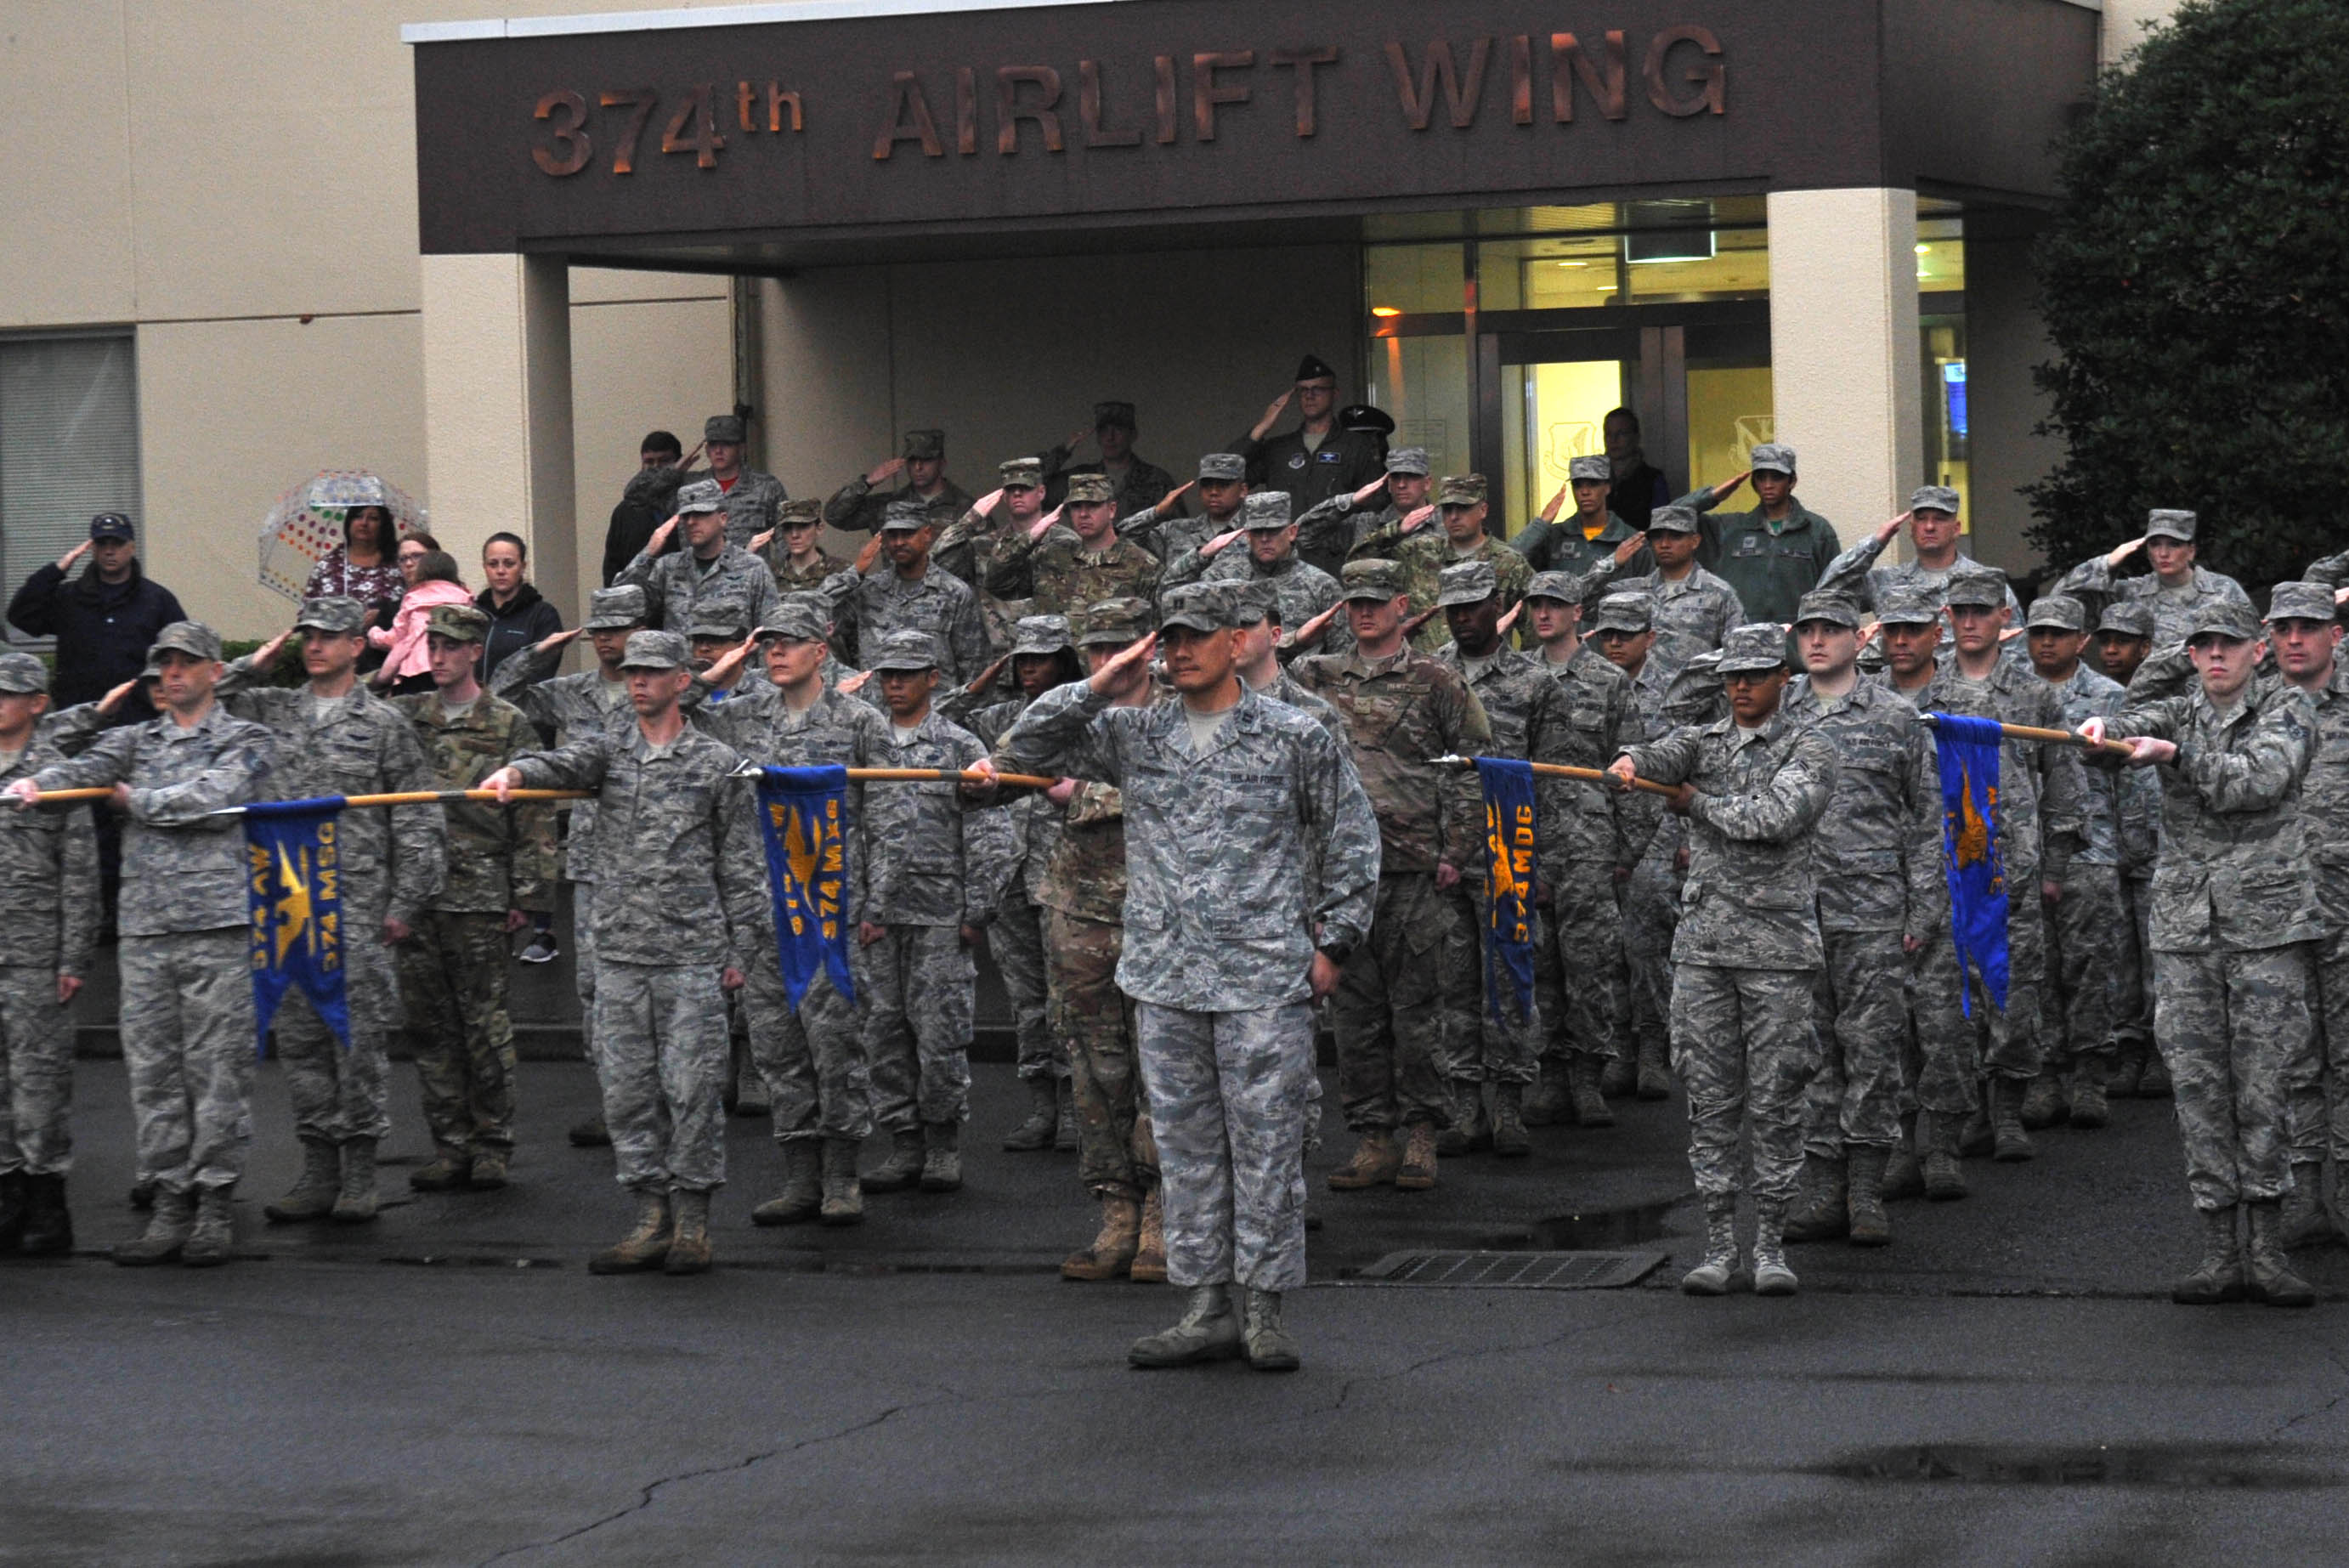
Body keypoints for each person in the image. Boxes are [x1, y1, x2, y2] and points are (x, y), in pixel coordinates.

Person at [987, 580, 1379, 1373]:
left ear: (1239, 641)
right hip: (1165, 975)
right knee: (1186, 1149)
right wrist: (1096, 683)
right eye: (1168, 637)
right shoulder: (1135, 734)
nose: (1179, 649)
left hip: (1261, 975)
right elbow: (1022, 749)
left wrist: (1334, 941)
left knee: (1265, 1148)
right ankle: (1204, 1305)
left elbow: (1352, 835)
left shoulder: (1291, 735)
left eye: (1197, 635)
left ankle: (1265, 1307)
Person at [485, 630, 763, 1276]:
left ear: (681, 680)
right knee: (627, 1094)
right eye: (632, 671)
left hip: (690, 952)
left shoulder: (716, 762)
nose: (637, 680)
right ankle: (648, 1214)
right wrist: (519, 770)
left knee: (692, 1091)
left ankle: (692, 1221)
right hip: (619, 953)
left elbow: (743, 866)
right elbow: (565, 762)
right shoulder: (610, 748)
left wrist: (740, 950)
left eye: (651, 671)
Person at [12, 622, 275, 1267]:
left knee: (217, 1073)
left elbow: (213, 799)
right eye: (163, 665)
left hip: (217, 926)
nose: (172, 674)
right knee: (154, 1076)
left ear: (217, 670)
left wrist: (138, 801)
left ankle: (214, 1201)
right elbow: (81, 769)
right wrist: (38, 784)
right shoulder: (134, 740)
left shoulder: (245, 738)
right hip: (146, 929)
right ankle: (168, 1198)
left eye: (186, 663)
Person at [2086, 600, 2320, 1307]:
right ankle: (2220, 1247)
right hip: (2187, 928)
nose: (2215, 656)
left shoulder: (2291, 708)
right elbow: (2132, 719)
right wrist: (2104, 731)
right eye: (2203, 645)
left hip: (2266, 927)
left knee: (2265, 1087)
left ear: (2259, 649)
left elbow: (2260, 780)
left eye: (2229, 644)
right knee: (2198, 1089)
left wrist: (2179, 758)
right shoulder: (2179, 707)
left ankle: (2269, 1248)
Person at [1610, 621, 1837, 1297]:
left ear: (1782, 680)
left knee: (1776, 1100)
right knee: (1710, 1100)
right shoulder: (1704, 741)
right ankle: (1716, 1243)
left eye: (1754, 675)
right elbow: (1660, 753)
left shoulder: (1812, 746)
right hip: (1706, 949)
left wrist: (1695, 804)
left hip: (1779, 954)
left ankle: (1770, 1243)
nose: (1740, 687)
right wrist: (1631, 763)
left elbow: (1775, 817)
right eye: (1732, 676)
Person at [215, 598, 445, 1226]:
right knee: (300, 1044)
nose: (314, 646)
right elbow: (211, 702)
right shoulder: (272, 710)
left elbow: (417, 813)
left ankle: (361, 1171)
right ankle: (317, 1167)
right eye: (307, 636)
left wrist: (408, 901)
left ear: (355, 645)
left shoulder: (383, 723)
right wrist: (255, 662)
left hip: (358, 907)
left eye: (328, 636)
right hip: (288, 908)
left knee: (357, 1042)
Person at [1292, 558, 1492, 1194]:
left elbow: (1470, 766)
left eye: (1377, 601)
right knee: (1355, 1012)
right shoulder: (1317, 677)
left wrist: (1456, 850)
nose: (1365, 612)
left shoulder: (1437, 681)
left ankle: (1423, 1132)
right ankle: (1373, 1134)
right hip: (1345, 872)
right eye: (1355, 602)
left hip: (1414, 868)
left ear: (1403, 605)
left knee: (1419, 1010)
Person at [694, 598, 895, 1229]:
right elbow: (675, 710)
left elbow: (888, 815)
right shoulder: (742, 716)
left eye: (789, 642)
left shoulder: (859, 719)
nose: (775, 653)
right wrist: (718, 673)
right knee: (778, 1049)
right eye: (767, 643)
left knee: (836, 1046)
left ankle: (841, 1173)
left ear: (821, 648)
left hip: (830, 910)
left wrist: (878, 901)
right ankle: (800, 1174)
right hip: (761, 909)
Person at [1002, 598, 1165, 1280]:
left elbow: (1184, 796)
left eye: (1121, 648)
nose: (1110, 661)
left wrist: (1089, 797)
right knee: (1097, 1072)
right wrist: (1087, 694)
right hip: (1083, 911)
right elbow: (1021, 747)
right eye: (1096, 650)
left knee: (1162, 1070)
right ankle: (1115, 1211)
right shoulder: (1075, 717)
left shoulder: (1176, 716)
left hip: (1160, 910)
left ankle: (1164, 1212)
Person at [1910, 566, 2089, 1175]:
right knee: (1950, 1002)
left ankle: (2008, 1105)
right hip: (1946, 871)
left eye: (1980, 612)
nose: (1969, 622)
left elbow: (2064, 782)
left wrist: (2056, 864)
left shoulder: (2034, 695)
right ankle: (1961, 1118)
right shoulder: (1925, 698)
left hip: (2012, 870)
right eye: (1959, 612)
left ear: (2003, 619)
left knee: (2014, 995)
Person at [1777, 591, 1939, 1250]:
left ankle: (1866, 1187)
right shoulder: (1778, 711)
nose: (1818, 641)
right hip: (1794, 910)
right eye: (1808, 629)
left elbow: (1928, 819)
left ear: (1859, 639)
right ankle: (1822, 1186)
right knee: (1809, 1053)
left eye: (1831, 630)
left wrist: (1923, 907)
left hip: (1871, 909)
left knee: (1872, 1050)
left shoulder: (1897, 716)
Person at [391, 605, 556, 1192]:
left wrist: (528, 896)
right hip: (419, 892)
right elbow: (349, 710)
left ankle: (492, 1142)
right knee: (429, 1028)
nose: (436, 656)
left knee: (484, 1026)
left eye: (448, 646)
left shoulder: (508, 723)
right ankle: (449, 1143)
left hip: (481, 891)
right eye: (430, 646)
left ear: (472, 651)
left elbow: (534, 814)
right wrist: (387, 664)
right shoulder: (408, 717)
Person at [850, 630, 1013, 1197]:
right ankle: (904, 1140)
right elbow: (852, 828)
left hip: (941, 912)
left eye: (905, 673)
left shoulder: (959, 744)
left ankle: (943, 1142)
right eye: (886, 674)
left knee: (940, 1034)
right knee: (883, 1033)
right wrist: (860, 906)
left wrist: (978, 907)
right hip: (879, 914)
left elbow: (990, 829)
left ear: (932, 678)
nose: (893, 683)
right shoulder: (865, 740)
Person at [491, 585, 649, 1130]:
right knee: (594, 987)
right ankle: (615, 1103)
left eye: (619, 629)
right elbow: (501, 693)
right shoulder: (573, 691)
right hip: (591, 858)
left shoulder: (658, 689)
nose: (608, 640)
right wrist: (540, 651)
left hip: (652, 860)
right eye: (600, 630)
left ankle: (659, 1100)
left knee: (651, 984)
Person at [1431, 561, 1573, 1157]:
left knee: (1511, 978)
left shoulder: (1533, 681)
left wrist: (1547, 866)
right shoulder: (1429, 675)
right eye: (1453, 608)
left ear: (1498, 606)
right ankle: (1466, 1108)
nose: (1463, 617)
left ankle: (1511, 1104)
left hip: (1509, 854)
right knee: (1452, 984)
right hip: (1442, 853)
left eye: (1473, 605)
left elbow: (1558, 783)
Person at [941, 614, 1083, 1156]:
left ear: (1064, 661)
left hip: (1064, 876)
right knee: (1026, 1002)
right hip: (1009, 875)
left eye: (1040, 658)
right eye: (1022, 658)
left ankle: (1075, 1107)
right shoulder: (1000, 716)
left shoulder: (1079, 718)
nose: (1029, 668)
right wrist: (981, 679)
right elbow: (941, 718)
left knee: (1066, 998)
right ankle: (1041, 1106)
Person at [1520, 572, 1644, 1122]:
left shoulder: (1607, 680)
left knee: (1591, 964)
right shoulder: (1517, 677)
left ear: (1579, 612)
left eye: (1554, 604)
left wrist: (1628, 850)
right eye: (1535, 604)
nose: (1543, 613)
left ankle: (1589, 1074)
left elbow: (1636, 764)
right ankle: (1549, 1072)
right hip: (1531, 839)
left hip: (1592, 845)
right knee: (1541, 964)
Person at [0, 652, 99, 1255]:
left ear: (37, 703)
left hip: (35, 952)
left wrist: (74, 957)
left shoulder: (56, 775)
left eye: (8, 693)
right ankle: (7, 1193)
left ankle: (46, 1201)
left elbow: (81, 873)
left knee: (39, 1084)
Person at [2019, 595, 2128, 1131]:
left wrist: (2138, 850)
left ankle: (2089, 1075)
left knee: (2090, 966)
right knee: (2034, 967)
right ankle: (2043, 1074)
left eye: (2059, 633)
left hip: (2094, 848)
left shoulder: (2108, 696)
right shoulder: (2012, 691)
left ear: (2081, 640)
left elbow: (2133, 780)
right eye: (2039, 631)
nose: (2047, 641)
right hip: (2025, 845)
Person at [2261, 582, 2347, 1250]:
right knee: (2290, 1063)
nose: (2296, 638)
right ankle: (2306, 1193)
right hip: (2274, 916)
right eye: (2283, 626)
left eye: (2309, 626)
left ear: (2335, 635)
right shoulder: (2248, 707)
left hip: (2346, 910)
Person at [1586, 591, 1687, 1112]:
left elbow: (1693, 760)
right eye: (1609, 633)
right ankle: (1617, 1046)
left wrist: (1688, 837)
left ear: (1651, 635)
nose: (1617, 642)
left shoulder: (1677, 687)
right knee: (1606, 943)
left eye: (1628, 633)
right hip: (1597, 827)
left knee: (1647, 940)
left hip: (1658, 827)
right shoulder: (1585, 682)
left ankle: (1652, 1045)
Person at [2094, 599, 2169, 1096]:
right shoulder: (2096, 699)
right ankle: (2127, 1048)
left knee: (2159, 955)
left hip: (2158, 850)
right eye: (2106, 640)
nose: (2113, 649)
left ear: (2148, 647)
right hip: (2108, 845)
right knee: (2118, 956)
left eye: (2124, 640)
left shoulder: (2170, 697)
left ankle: (2162, 1052)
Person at [8, 513, 187, 714]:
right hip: (78, 720)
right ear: (92, 549)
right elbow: (20, 616)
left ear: (132, 547)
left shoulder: (157, 600)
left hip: (138, 720)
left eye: (117, 543)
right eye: (102, 544)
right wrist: (57, 569)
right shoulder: (69, 597)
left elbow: (181, 654)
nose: (110, 551)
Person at [1346, 475, 1532, 653]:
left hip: (1485, 674)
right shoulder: (1419, 552)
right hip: (1425, 673)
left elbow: (1533, 628)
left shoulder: (1509, 562)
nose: (1453, 517)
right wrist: (1396, 531)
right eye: (1448, 509)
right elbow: (1357, 563)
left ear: (1483, 510)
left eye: (1463, 508)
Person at [1160, 490, 1351, 657]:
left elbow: (1342, 654)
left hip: (1299, 689)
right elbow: (1168, 595)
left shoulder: (1321, 586)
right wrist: (1201, 555)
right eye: (1258, 532)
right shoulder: (1221, 578)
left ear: (1292, 532)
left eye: (1273, 531)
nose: (1265, 539)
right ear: (1247, 535)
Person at [820, 499, 988, 682]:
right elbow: (813, 613)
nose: (899, 542)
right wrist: (855, 572)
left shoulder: (954, 593)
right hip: (876, 705)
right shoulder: (868, 590)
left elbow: (974, 666)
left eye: (907, 534)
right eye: (892, 535)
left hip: (935, 705)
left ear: (927, 534)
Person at [1678, 443, 1842, 628]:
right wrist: (1712, 496)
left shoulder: (1817, 531)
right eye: (1761, 478)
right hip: (1741, 642)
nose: (1768, 485)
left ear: (1792, 481)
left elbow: (1836, 593)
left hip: (1798, 643)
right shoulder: (1729, 529)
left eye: (1777, 477)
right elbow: (1669, 517)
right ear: (1754, 482)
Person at [2052, 511, 2254, 655]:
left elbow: (2252, 644)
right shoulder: (2130, 594)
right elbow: (2059, 606)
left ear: (2191, 550)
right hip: (2148, 705)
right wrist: (2107, 563)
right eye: (2155, 544)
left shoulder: (2224, 590)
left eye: (2174, 545)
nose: (2163, 553)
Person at [1816, 486, 2021, 620]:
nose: (1930, 526)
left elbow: (2016, 648)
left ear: (1956, 528)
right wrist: (1875, 543)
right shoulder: (1886, 582)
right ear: (1911, 527)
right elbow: (1826, 594)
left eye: (1939, 519)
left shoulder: (1986, 581)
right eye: (1922, 519)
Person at [615, 478, 780, 636]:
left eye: (701, 514)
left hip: (733, 664)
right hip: (680, 664)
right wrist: (648, 553)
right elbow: (620, 606)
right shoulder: (668, 568)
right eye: (686, 516)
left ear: (723, 519)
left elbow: (769, 632)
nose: (691, 522)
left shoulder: (753, 568)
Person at [982, 472, 1160, 617]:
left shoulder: (1143, 566)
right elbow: (996, 584)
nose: (1083, 514)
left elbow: (1157, 636)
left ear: (1112, 509)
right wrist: (1029, 538)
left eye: (1092, 505)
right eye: (1076, 506)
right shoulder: (1050, 557)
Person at [1237, 355, 1387, 522]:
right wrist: (1261, 428)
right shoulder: (1278, 449)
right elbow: (1227, 477)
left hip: (1335, 546)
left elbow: (1375, 505)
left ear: (1334, 393)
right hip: (1286, 545)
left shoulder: (1356, 447)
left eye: (1318, 389)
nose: (1310, 395)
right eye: (1304, 390)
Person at [1606, 503, 1744, 676]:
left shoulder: (1719, 593)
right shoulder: (1632, 593)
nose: (1664, 544)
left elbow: (1738, 653)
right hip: (1639, 698)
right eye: (1657, 537)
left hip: (1696, 698)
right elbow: (1581, 603)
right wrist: (1612, 564)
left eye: (1675, 536)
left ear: (1695, 541)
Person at [1507, 455, 1655, 586]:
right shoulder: (1554, 536)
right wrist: (1541, 524)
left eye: (1593, 484)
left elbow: (1649, 592)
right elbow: (1507, 564)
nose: (1585, 492)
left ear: (1608, 487)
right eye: (1578, 485)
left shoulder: (1631, 541)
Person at [1295, 446, 1434, 582]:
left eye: (1411, 477)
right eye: (1396, 477)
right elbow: (1302, 534)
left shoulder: (1446, 523)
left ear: (1427, 483)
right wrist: (1350, 501)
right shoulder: (1366, 523)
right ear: (1389, 484)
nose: (1402, 484)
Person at [1041, 401, 1179, 519]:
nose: (1110, 437)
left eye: (1118, 429)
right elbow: (1032, 493)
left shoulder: (1157, 481)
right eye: (1103, 430)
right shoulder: (1078, 480)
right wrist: (1064, 450)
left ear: (1133, 435)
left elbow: (1177, 529)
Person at [824, 429, 974, 535]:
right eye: (912, 460)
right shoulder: (888, 505)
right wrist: (867, 483)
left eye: (926, 460)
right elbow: (834, 517)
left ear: (942, 464)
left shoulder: (965, 508)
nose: (918, 467)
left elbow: (983, 561)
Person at [369, 549, 472, 694]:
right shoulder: (465, 599)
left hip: (413, 673)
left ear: (421, 572)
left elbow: (395, 638)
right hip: (452, 672)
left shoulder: (413, 598)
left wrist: (374, 633)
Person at [684, 413, 788, 551]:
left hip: (752, 571)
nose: (719, 451)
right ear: (707, 450)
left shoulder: (766, 487)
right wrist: (673, 471)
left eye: (727, 444)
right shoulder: (692, 487)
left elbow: (785, 539)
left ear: (741, 448)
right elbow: (648, 496)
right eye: (714, 444)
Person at [476, 532, 563, 686]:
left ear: (523, 566)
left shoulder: (542, 615)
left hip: (521, 707)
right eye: (493, 564)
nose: (501, 571)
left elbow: (542, 671)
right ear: (484, 567)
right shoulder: (474, 614)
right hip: (474, 707)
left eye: (509, 564)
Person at [601, 431, 687, 587]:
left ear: (678, 462)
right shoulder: (626, 511)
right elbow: (612, 566)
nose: (656, 467)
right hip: (638, 599)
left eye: (664, 461)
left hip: (682, 597)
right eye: (649, 462)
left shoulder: (690, 505)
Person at [302, 484, 407, 609]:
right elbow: (307, 611)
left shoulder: (399, 563)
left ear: (383, 525)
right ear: (349, 522)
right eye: (358, 517)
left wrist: (384, 616)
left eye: (373, 518)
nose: (364, 523)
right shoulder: (328, 565)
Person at [754, 500, 846, 594]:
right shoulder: (768, 574)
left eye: (803, 526)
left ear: (819, 529)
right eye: (788, 527)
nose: (794, 535)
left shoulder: (841, 572)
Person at [1603, 407, 1672, 530]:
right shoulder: (1596, 479)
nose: (1613, 440)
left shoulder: (1652, 480)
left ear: (1636, 437)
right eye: (1609, 434)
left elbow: (1661, 527)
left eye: (1621, 434)